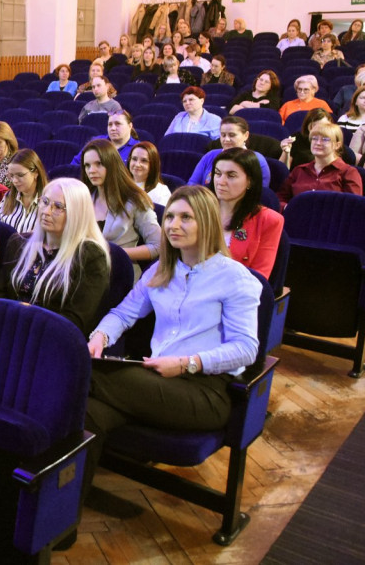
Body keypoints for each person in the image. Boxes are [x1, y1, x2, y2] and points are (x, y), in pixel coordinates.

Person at [84, 186, 262, 519]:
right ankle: (61, 522)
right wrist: (99, 337)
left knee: (84, 374)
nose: (172, 226)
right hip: (155, 382)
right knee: (87, 411)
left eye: (185, 218)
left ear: (207, 223)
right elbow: (123, 314)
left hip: (206, 391)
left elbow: (247, 349)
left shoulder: (234, 278)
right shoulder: (162, 270)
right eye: (170, 218)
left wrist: (188, 363)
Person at [0, 178, 110, 334]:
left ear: (77, 214)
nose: (46, 211)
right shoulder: (19, 242)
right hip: (8, 329)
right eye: (45, 202)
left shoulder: (91, 257)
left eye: (58, 207)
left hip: (52, 340)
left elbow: (75, 320)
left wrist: (28, 317)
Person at [81, 139, 161, 279]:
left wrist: (116, 253)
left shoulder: (135, 200)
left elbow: (158, 245)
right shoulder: (83, 198)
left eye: (99, 164)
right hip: (83, 274)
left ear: (112, 164)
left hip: (117, 276)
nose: (91, 170)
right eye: (87, 165)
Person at [213, 148, 283, 277]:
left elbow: (259, 277)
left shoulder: (269, 220)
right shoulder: (198, 210)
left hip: (236, 291)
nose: (220, 182)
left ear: (249, 181)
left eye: (231, 175)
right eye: (218, 174)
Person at [278, 122, 362, 208]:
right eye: (314, 138)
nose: (317, 143)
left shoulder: (348, 173)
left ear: (337, 145)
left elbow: (353, 206)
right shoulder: (299, 170)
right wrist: (288, 207)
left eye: (325, 139)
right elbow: (280, 198)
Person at [188, 116, 270, 188]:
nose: (226, 139)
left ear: (246, 135)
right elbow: (192, 185)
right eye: (223, 135)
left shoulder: (257, 159)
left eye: (232, 135)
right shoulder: (210, 155)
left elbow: (260, 192)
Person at [0, 149, 48, 234]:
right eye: (11, 175)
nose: (14, 181)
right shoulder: (8, 196)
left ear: (36, 173)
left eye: (20, 175)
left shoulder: (48, 202)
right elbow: (0, 231)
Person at [71, 109, 139, 166]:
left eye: (118, 124)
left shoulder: (138, 149)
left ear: (130, 126)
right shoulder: (96, 142)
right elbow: (76, 164)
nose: (113, 128)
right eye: (110, 124)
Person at [129, 142, 171, 206]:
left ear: (153, 164)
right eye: (134, 159)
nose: (137, 164)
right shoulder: (119, 185)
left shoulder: (161, 192)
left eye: (144, 161)